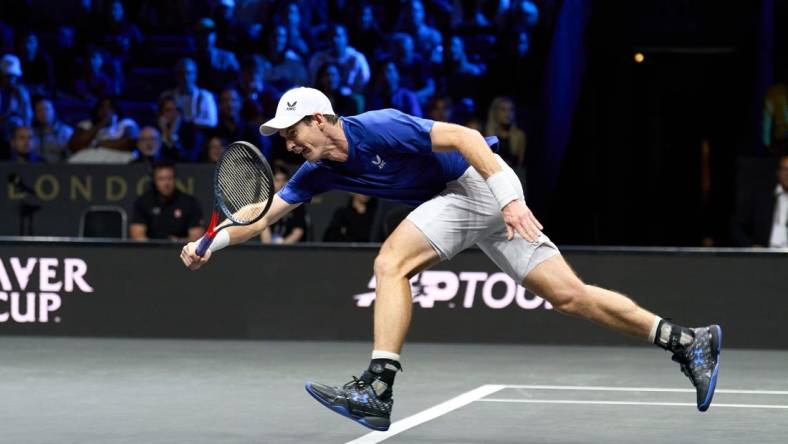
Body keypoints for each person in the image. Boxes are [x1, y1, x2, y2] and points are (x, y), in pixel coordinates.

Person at [179, 87, 722, 431]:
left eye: (292, 131)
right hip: (464, 204)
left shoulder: (379, 125)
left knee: (392, 263)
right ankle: (688, 341)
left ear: (320, 119)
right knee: (568, 296)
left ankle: (377, 388)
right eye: (282, 137)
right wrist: (212, 243)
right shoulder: (319, 170)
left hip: (476, 187)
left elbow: (465, 137)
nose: (289, 144)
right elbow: (263, 214)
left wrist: (510, 200)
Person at [131, 161, 205, 241]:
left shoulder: (190, 203)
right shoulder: (143, 202)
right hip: (150, 252)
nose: (166, 183)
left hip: (181, 251)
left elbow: (196, 238)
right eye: (161, 179)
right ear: (154, 181)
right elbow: (138, 237)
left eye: (170, 178)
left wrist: (175, 243)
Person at [731, 154, 788, 248]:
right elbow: (736, 225)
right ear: (778, 172)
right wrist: (750, 247)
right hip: (765, 256)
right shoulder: (761, 197)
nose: (787, 174)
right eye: (785, 169)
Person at [68, 97, 139, 163]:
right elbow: (74, 146)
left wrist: (99, 144)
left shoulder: (126, 124)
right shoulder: (86, 125)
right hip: (88, 161)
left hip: (118, 161)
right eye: (102, 107)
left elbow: (130, 143)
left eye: (110, 107)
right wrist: (101, 124)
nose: (106, 111)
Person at [307, 24, 370, 95]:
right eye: (331, 36)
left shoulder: (357, 59)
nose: (335, 40)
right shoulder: (318, 59)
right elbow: (312, 83)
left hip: (350, 99)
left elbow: (363, 85)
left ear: (346, 38)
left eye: (338, 36)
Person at [260, 165, 307, 244]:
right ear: (271, 182)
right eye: (277, 180)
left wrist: (282, 249)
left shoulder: (297, 202)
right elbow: (263, 228)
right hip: (267, 249)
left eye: (284, 180)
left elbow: (298, 231)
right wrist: (268, 250)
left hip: (289, 250)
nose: (281, 184)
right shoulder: (265, 203)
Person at [485, 96, 526, 168]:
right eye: (503, 109)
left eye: (511, 110)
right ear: (495, 112)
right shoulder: (486, 134)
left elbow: (520, 164)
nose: (508, 113)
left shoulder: (519, 135)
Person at [31, 98, 74, 164]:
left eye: (46, 109)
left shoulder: (66, 132)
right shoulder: (30, 133)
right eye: (39, 110)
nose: (43, 113)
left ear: (53, 111)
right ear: (35, 114)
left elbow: (73, 157)